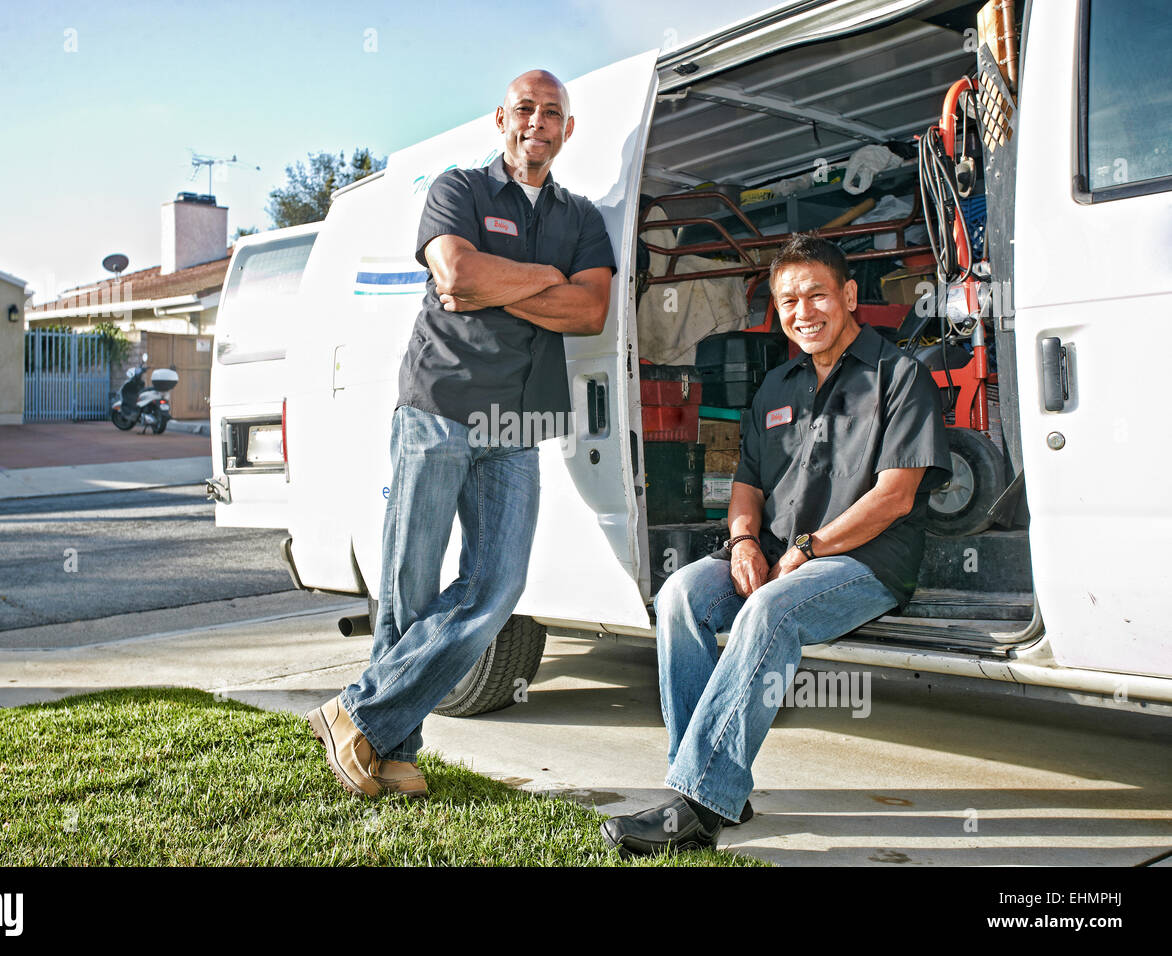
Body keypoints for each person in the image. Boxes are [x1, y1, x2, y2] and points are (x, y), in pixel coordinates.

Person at [308, 69, 617, 799]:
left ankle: (356, 714)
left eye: (552, 112)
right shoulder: (460, 189)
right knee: (409, 586)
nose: (536, 122)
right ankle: (393, 751)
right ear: (501, 120)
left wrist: (503, 280)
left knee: (496, 589)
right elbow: (454, 276)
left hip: (520, 419)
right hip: (438, 403)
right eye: (524, 110)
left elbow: (591, 314)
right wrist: (548, 278)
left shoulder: (582, 216)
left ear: (567, 129)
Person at [602, 233, 952, 855]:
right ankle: (711, 790)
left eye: (817, 294)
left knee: (769, 610)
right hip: (782, 553)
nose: (803, 312)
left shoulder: (900, 376)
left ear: (848, 295)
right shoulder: (776, 386)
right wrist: (742, 542)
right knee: (681, 592)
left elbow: (896, 496)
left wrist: (811, 548)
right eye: (788, 301)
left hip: (865, 562)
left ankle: (699, 805)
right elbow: (748, 484)